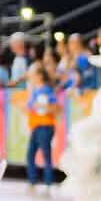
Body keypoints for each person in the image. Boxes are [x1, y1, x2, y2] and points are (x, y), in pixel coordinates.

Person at [24, 62, 58, 191]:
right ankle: (32, 181)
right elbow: (30, 108)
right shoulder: (35, 90)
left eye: (33, 75)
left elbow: (53, 108)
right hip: (36, 125)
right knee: (30, 155)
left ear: (39, 76)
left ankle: (47, 183)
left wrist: (42, 106)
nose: (31, 78)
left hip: (45, 125)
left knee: (46, 155)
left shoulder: (46, 90)